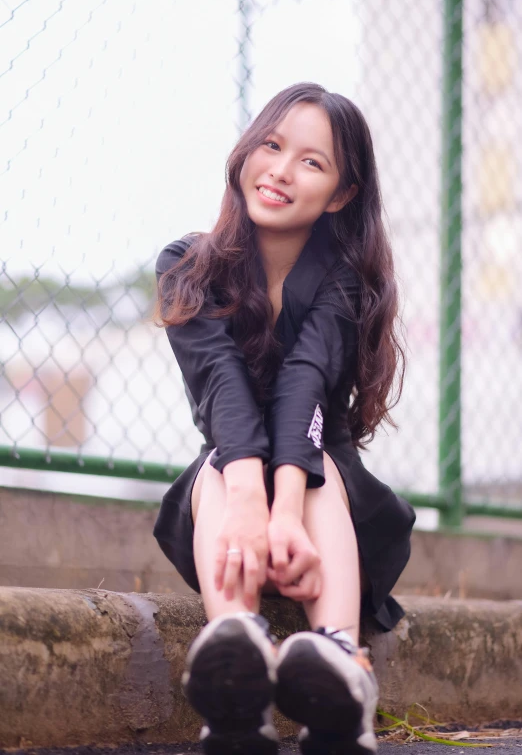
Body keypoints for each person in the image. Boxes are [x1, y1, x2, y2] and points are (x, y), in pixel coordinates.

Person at [153, 82, 417, 755]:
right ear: (246, 152)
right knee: (224, 462)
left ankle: (338, 668)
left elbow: (304, 386)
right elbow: (224, 387)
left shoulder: (344, 277)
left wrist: (288, 512)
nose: (280, 170)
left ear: (340, 194)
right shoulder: (188, 265)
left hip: (327, 509)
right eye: (271, 145)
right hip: (231, 508)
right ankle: (237, 674)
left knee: (315, 462)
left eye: (311, 161)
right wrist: (251, 503)